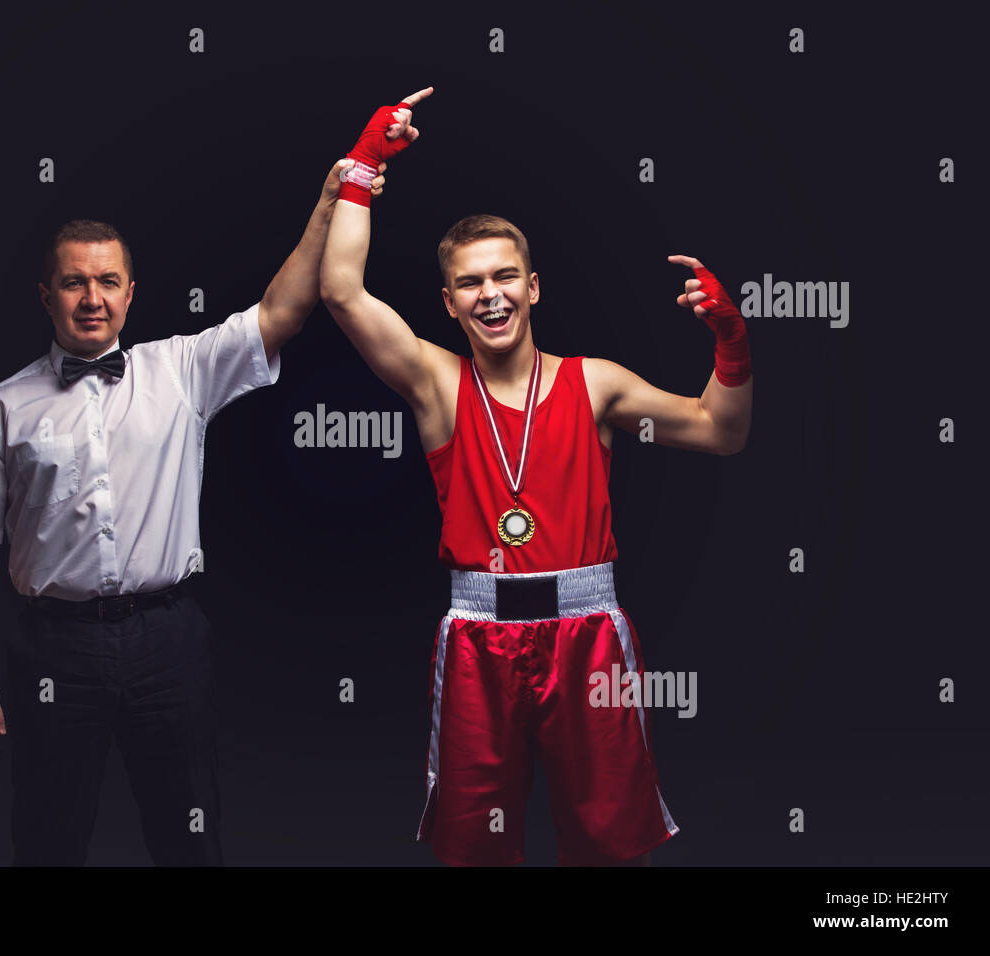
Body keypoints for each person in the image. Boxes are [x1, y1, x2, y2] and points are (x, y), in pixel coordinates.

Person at [320, 88, 753, 866]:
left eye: (505, 276)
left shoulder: (596, 384)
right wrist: (362, 166)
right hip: (478, 637)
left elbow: (721, 431)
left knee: (609, 838)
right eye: (471, 284)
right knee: (474, 845)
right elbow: (341, 291)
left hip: (589, 635)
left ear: (533, 286)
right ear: (449, 303)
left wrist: (731, 342)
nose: (491, 294)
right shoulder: (435, 383)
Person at [0, 159, 387, 866]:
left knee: (190, 838)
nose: (93, 297)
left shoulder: (180, 369)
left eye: (107, 281)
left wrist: (334, 197)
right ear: (46, 295)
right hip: (55, 646)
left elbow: (283, 310)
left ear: (130, 293)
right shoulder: (4, 405)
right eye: (75, 282)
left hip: (168, 641)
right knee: (47, 841)